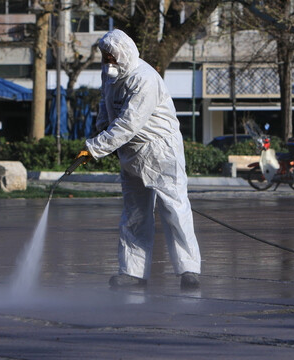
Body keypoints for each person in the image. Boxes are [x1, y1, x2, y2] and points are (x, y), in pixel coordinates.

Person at [77, 29, 201, 289]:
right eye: (104, 56)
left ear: (123, 53)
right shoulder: (110, 75)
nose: (107, 61)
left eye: (111, 56)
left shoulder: (144, 78)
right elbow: (106, 103)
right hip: (130, 153)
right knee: (134, 213)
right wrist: (100, 127)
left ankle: (189, 269)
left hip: (160, 150)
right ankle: (132, 272)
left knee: (174, 210)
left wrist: (95, 148)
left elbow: (127, 123)